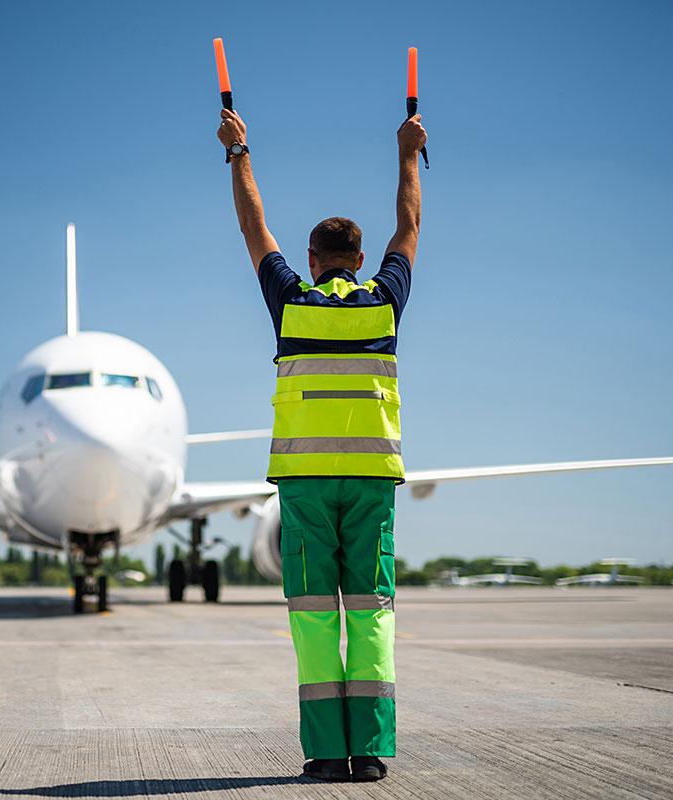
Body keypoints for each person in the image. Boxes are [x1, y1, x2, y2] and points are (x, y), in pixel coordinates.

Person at [217, 106, 426, 783]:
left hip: (305, 487)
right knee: (371, 615)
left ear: (311, 260)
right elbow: (410, 226)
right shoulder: (383, 305)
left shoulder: (291, 304)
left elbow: (254, 228)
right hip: (371, 484)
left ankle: (325, 754)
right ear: (361, 262)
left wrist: (239, 150)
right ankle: (368, 753)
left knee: (313, 619)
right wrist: (407, 154)